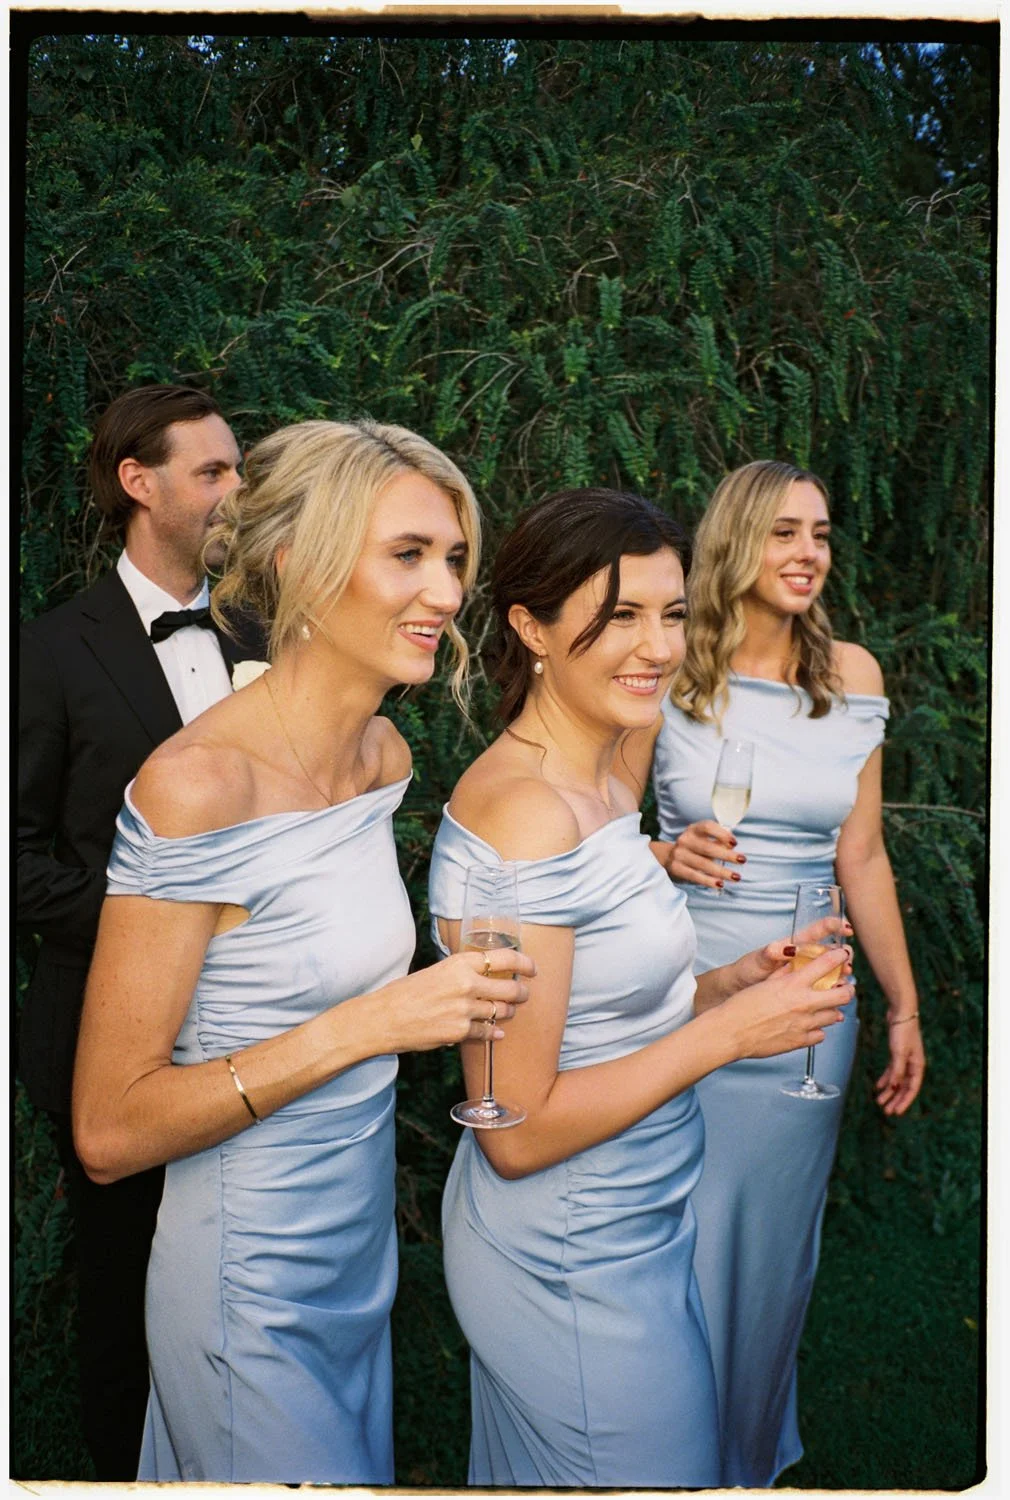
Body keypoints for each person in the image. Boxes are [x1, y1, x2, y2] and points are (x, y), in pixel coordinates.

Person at [71, 418, 533, 1485]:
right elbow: (106, 1130)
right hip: (245, 1273)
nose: (444, 591)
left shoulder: (380, 754)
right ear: (298, 563)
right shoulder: (198, 790)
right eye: (407, 554)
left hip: (354, 1250)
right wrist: (372, 1024)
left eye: (454, 557)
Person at [427, 487, 855, 1488]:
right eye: (618, 615)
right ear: (530, 626)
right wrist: (728, 1036)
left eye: (668, 613)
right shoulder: (525, 813)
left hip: (643, 1221)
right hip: (567, 1247)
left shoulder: (601, 781)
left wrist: (719, 987)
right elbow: (515, 1130)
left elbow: (602, 1010)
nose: (657, 646)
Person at [620, 459, 926, 1487]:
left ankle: (738, 1457)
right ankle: (655, 1448)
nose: (807, 554)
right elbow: (594, 832)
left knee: (767, 1252)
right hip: (680, 982)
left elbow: (862, 856)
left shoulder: (853, 679)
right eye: (784, 532)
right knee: (672, 1229)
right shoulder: (664, 670)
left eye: (821, 535)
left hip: (806, 1004)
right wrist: (661, 853)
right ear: (736, 542)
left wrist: (900, 1003)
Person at [17, 383, 263, 1480]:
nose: (233, 490)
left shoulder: (260, 634)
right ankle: (123, 1468)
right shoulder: (48, 649)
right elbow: (17, 861)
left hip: (257, 1010)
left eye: (236, 469)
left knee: (238, 1259)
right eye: (211, 471)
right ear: (137, 482)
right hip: (106, 1020)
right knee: (123, 1274)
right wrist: (160, 922)